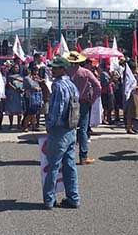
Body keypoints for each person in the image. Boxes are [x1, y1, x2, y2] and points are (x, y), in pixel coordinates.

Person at [43, 56, 80, 210]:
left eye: (55, 67)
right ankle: (73, 197)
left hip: (59, 130)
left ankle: (49, 200)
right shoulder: (71, 84)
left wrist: (49, 125)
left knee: (53, 165)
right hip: (71, 127)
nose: (52, 69)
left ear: (63, 69)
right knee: (70, 165)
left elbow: (57, 110)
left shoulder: (58, 85)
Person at [66, 51, 101, 165]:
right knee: (83, 129)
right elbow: (97, 86)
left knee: (68, 127)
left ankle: (66, 156)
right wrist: (93, 99)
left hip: (69, 102)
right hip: (84, 102)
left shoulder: (66, 72)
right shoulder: (86, 72)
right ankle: (83, 156)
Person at [22, 65, 43, 132]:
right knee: (29, 112)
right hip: (29, 97)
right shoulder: (27, 78)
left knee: (34, 112)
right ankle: (25, 126)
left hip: (35, 97)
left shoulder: (34, 78)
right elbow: (32, 86)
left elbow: (38, 84)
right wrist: (37, 87)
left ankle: (34, 126)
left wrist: (39, 81)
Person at [4, 64, 24, 129]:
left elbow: (24, 83)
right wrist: (15, 89)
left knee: (19, 110)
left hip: (19, 95)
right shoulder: (10, 76)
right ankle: (11, 124)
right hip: (12, 94)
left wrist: (22, 89)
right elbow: (9, 84)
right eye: (15, 67)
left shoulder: (21, 76)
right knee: (11, 111)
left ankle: (18, 124)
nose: (16, 68)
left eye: (17, 67)